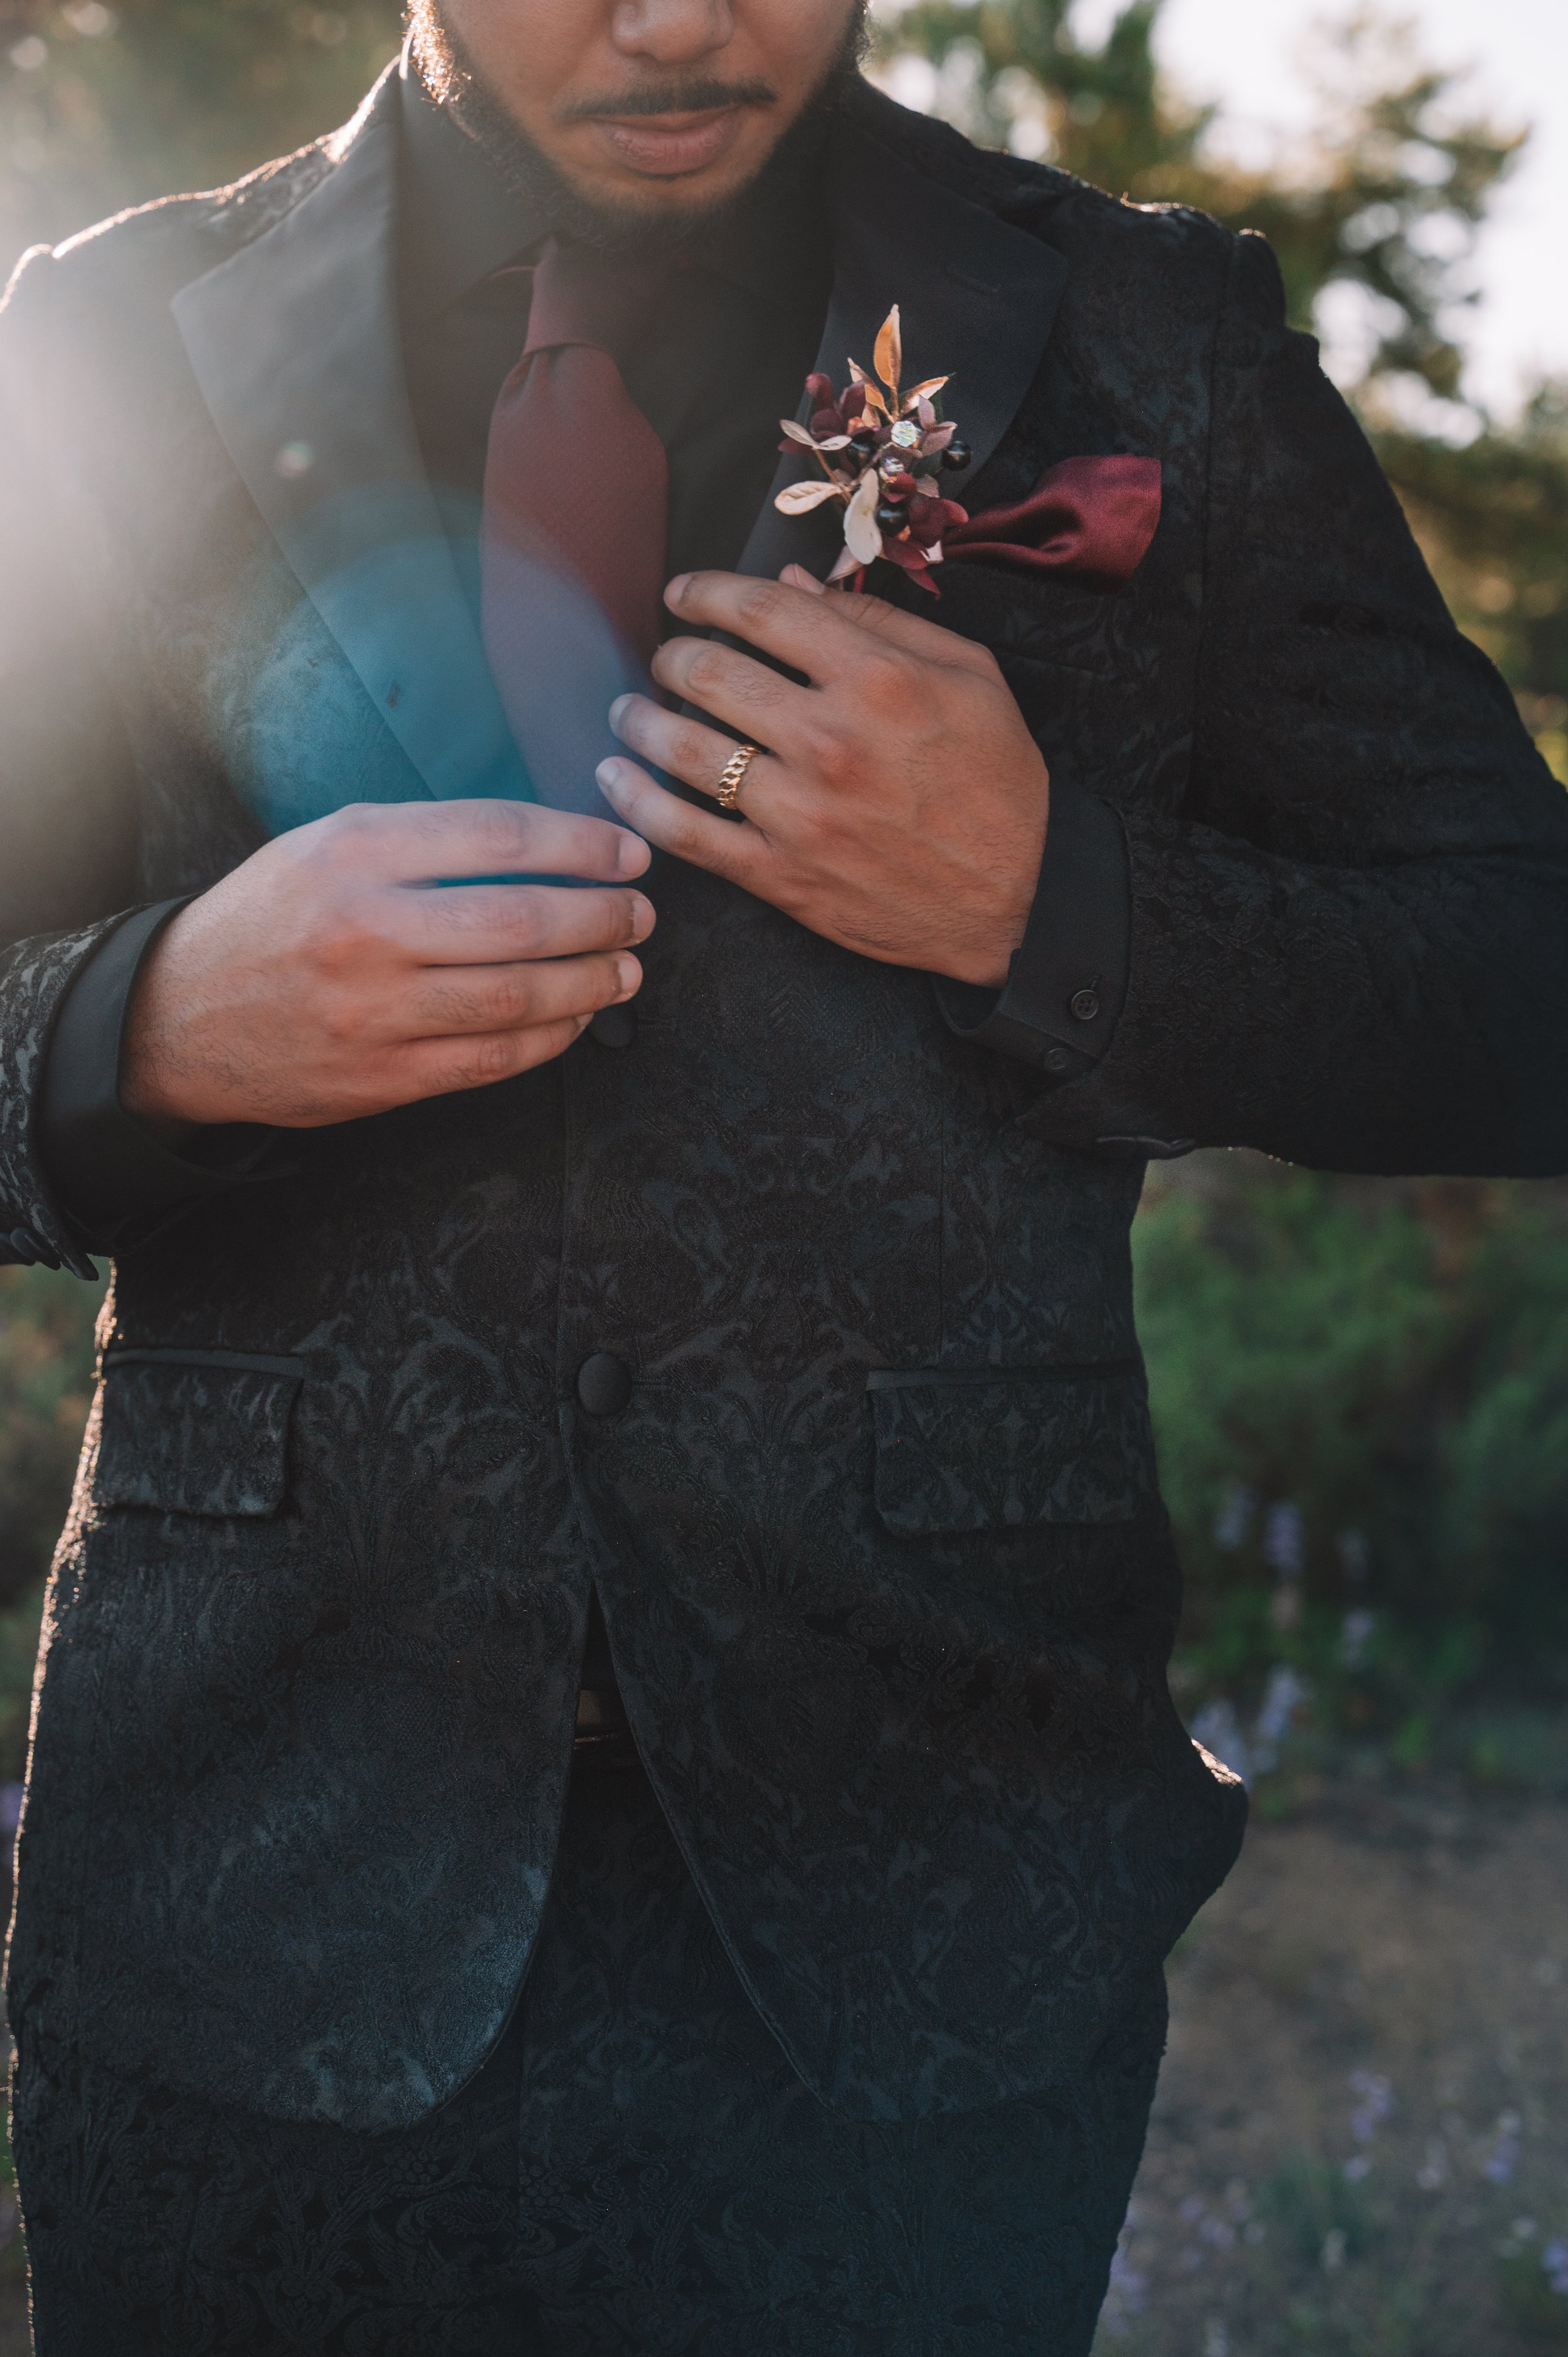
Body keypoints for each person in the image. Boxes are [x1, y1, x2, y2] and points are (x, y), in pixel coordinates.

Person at [1, 1, 1563, 2348]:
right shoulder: (101, 345)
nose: (675, 18)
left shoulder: (1153, 335)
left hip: (929, 1926)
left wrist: (1066, 902)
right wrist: (146, 1022)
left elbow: (1516, 985)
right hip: (256, 1907)